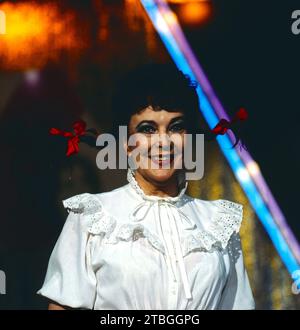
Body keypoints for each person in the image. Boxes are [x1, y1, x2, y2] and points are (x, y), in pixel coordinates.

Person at [37, 62, 255, 310]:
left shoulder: (218, 223)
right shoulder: (92, 218)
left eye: (175, 127)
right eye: (147, 129)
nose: (163, 142)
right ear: (125, 143)